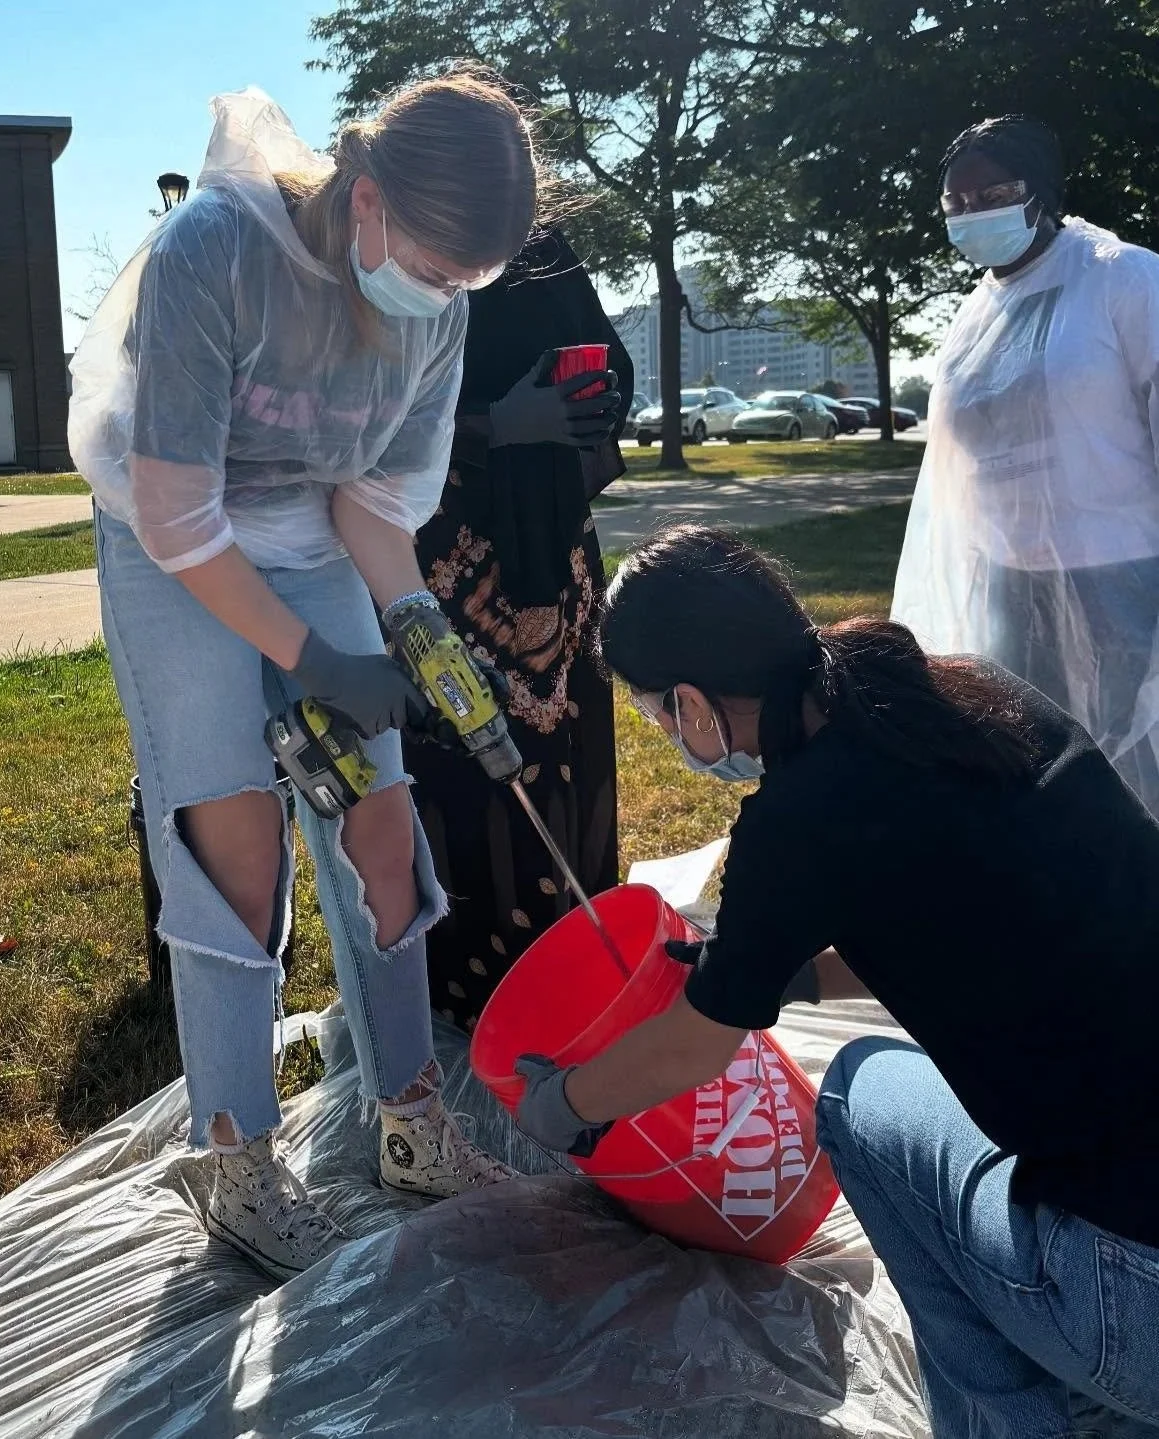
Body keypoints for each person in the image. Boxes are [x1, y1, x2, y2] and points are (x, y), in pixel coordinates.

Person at [514, 523, 1159, 1437]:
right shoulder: (969, 700)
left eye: (659, 715)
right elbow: (957, 921)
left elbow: (701, 1042)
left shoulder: (798, 820)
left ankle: (1016, 1418)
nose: (670, 733)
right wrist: (793, 977)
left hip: (1133, 1305)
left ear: (692, 704)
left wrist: (565, 1100)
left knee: (854, 1091)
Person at [68, 74, 540, 1281]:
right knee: (237, 841)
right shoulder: (216, 251)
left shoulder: (436, 297)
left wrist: (413, 625)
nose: (443, 298)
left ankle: (410, 1123)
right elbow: (178, 515)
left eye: (465, 283)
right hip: (174, 542)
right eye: (435, 267)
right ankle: (233, 1153)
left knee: (381, 829)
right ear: (364, 200)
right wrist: (315, 661)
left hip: (313, 540)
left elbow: (373, 503)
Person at [892, 115, 1159, 819]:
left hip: (1117, 579)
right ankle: (1059, 909)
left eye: (993, 193)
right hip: (1007, 582)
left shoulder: (1125, 281)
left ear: (1039, 190)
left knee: (1125, 764)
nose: (973, 214)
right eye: (956, 203)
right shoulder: (974, 315)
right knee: (1031, 764)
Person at [406, 229, 630, 1033]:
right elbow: (370, 421)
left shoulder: (541, 247)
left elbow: (607, 368)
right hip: (441, 548)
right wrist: (494, 424)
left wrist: (583, 408)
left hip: (553, 547)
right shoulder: (400, 254)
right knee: (463, 758)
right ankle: (469, 988)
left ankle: (576, 963)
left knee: (566, 752)